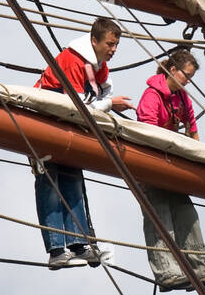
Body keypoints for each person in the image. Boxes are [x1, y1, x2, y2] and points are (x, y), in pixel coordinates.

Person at [34, 17, 134, 268]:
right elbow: (77, 108)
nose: (113, 50)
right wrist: (110, 104)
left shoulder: (99, 66)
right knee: (50, 182)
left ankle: (78, 244)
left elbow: (91, 101)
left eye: (116, 45)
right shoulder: (73, 61)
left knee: (73, 180)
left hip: (68, 123)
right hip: (46, 119)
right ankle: (57, 248)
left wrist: (106, 102)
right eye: (110, 44)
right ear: (94, 41)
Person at [136, 48, 205, 291]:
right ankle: (166, 272)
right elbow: (147, 133)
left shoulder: (183, 98)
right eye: (186, 75)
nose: (188, 81)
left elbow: (192, 130)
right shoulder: (151, 96)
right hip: (149, 164)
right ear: (172, 70)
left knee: (187, 214)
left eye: (191, 77)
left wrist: (198, 159)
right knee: (160, 215)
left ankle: (198, 268)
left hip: (172, 164)